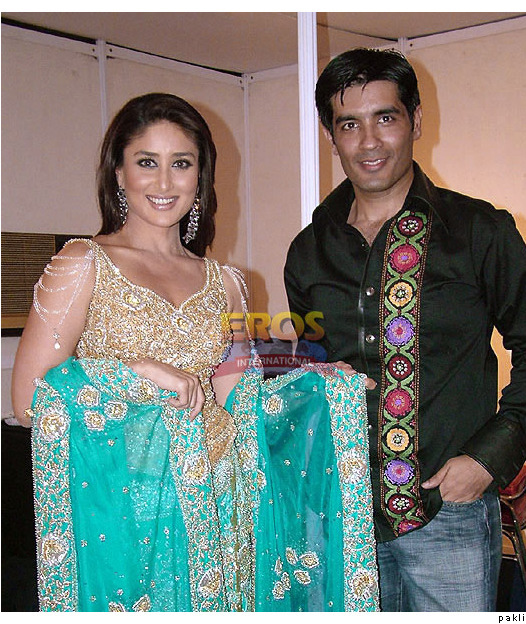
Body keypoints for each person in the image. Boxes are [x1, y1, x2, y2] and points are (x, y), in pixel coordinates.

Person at [12, 93, 380, 612]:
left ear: (201, 176)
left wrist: (316, 386)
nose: (164, 182)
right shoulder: (83, 263)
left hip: (221, 503)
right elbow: (31, 401)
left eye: (181, 164)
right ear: (118, 173)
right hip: (130, 514)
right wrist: (134, 373)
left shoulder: (226, 282)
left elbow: (241, 400)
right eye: (147, 162)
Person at [284, 48, 526, 612]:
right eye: (349, 124)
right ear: (330, 136)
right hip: (341, 510)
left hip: (447, 508)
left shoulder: (478, 230)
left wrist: (488, 457)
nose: (369, 141)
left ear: (415, 121)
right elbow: (310, 362)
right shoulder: (309, 250)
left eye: (385, 117)